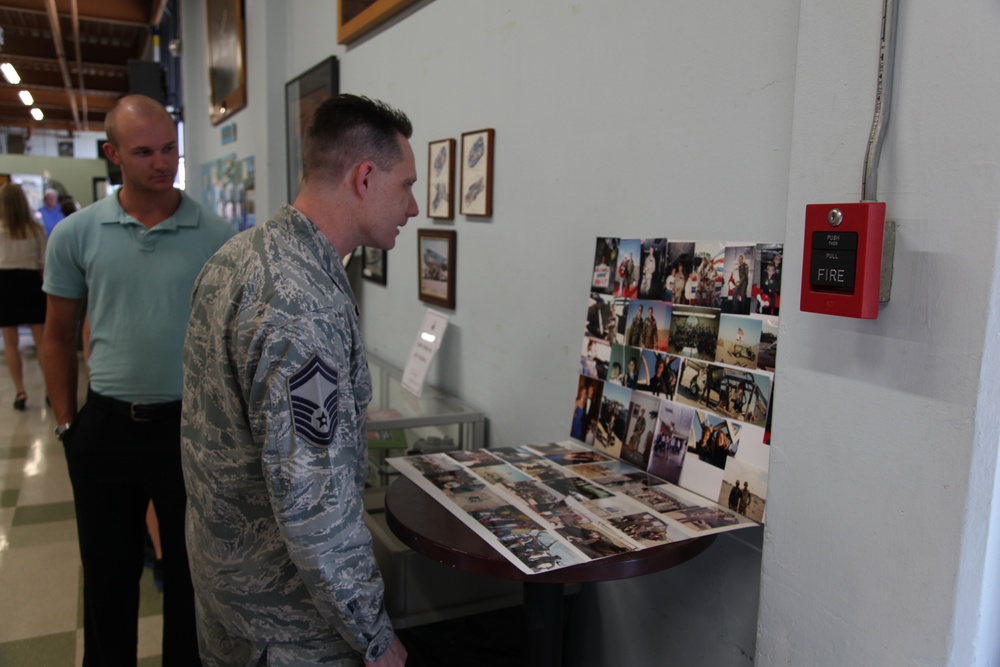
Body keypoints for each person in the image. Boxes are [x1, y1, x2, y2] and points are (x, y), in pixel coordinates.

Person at [181, 95, 413, 667]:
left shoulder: (238, 256)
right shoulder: (301, 304)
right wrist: (376, 638)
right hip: (289, 625)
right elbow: (316, 509)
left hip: (228, 594)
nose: (412, 205)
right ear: (364, 177)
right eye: (405, 184)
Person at [42, 94, 235, 666]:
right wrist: (66, 425)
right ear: (113, 155)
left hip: (187, 431)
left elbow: (231, 340)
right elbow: (56, 336)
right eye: (145, 151)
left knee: (191, 577)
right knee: (107, 578)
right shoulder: (76, 234)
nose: (162, 162)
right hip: (104, 427)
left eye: (170, 148)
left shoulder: (217, 234)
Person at [0, 183, 47, 410]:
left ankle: (20, 392)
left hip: (5, 284)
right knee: (42, 342)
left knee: (10, 342)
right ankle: (50, 389)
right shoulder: (36, 228)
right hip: (31, 285)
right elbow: (43, 264)